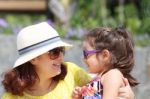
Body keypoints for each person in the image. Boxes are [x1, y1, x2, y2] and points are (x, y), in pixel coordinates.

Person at [1, 22, 134, 99]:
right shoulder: (12, 96)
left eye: (61, 50)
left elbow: (103, 90)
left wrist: (129, 95)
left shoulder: (72, 72)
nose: (61, 57)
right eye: (54, 52)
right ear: (34, 58)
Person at [72, 27, 138, 99]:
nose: (83, 59)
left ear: (105, 55)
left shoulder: (112, 75)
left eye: (86, 53)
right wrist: (81, 96)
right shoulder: (101, 78)